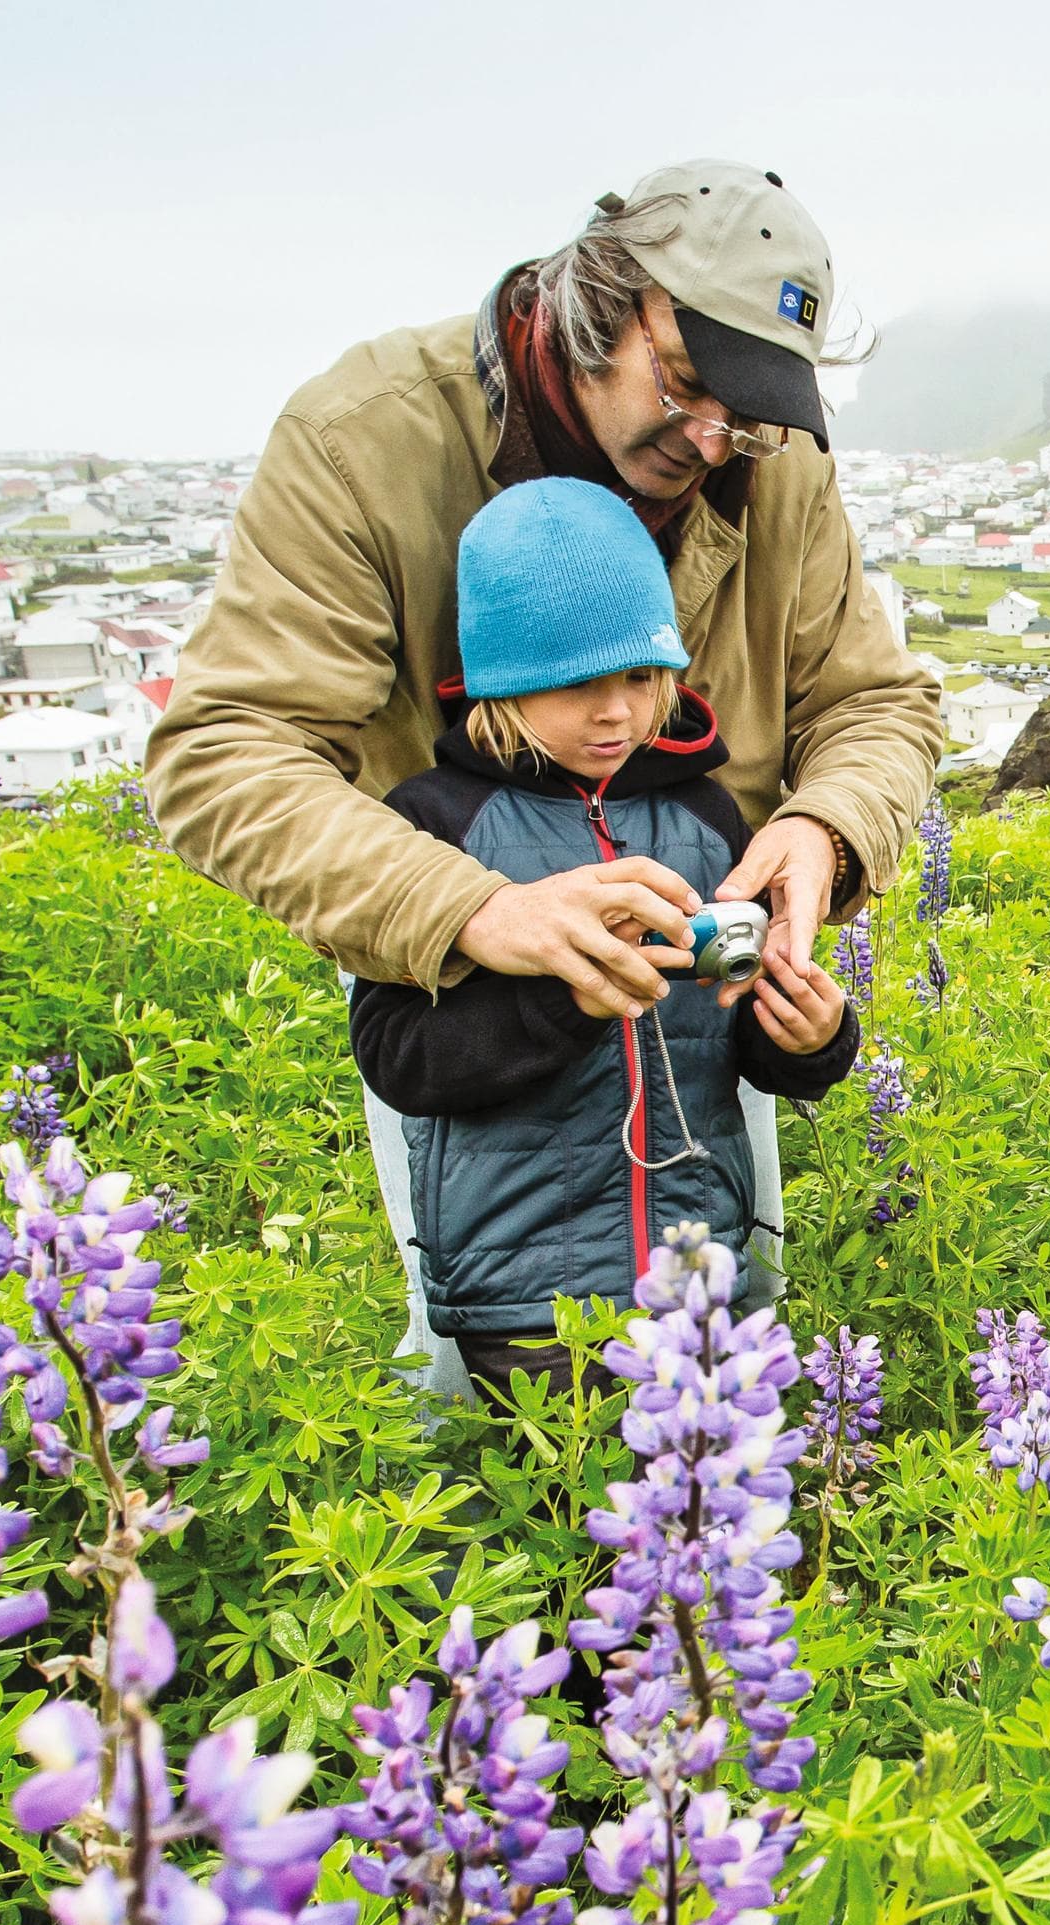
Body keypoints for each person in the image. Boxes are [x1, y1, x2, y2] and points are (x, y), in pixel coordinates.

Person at [147, 159, 937, 1375]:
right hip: (458, 999)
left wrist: (826, 830)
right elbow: (224, 752)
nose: (718, 433)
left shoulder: (765, 459)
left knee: (731, 1344)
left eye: (757, 408)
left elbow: (875, 703)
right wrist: (477, 907)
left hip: (698, 1012)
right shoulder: (367, 437)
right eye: (691, 383)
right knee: (466, 1375)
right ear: (595, 304)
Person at [346, 479, 857, 1396]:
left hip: (699, 1265)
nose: (616, 712)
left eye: (639, 677)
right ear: (502, 681)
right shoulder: (435, 822)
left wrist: (809, 1038)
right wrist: (564, 998)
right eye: (579, 684)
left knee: (709, 1517)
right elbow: (399, 1060)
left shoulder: (704, 816)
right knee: (572, 1527)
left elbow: (735, 1043)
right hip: (527, 1293)